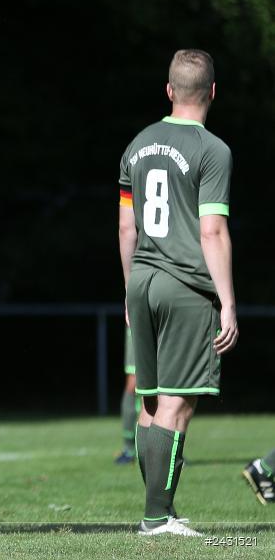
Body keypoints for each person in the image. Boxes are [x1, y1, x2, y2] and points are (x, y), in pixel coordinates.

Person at [119, 49, 237, 537]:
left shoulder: (138, 144)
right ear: (212, 91)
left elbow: (127, 226)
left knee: (149, 403)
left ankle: (160, 513)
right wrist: (228, 301)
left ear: (169, 91)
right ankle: (155, 519)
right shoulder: (213, 150)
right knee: (177, 402)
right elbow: (211, 232)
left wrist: (129, 290)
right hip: (185, 285)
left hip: (142, 280)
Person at [115, 327, 138, 464]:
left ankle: (169, 450)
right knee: (134, 382)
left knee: (166, 381)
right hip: (139, 317)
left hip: (164, 316)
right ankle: (129, 448)